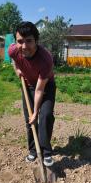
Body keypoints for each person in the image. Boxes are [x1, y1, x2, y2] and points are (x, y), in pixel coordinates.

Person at [8, 21, 56, 167]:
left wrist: (36, 112)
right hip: (28, 86)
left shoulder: (45, 59)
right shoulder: (13, 50)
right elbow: (14, 60)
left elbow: (39, 90)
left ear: (36, 40)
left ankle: (46, 152)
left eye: (28, 41)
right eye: (20, 41)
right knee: (30, 121)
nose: (24, 46)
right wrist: (17, 70)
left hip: (46, 87)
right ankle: (33, 150)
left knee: (45, 116)